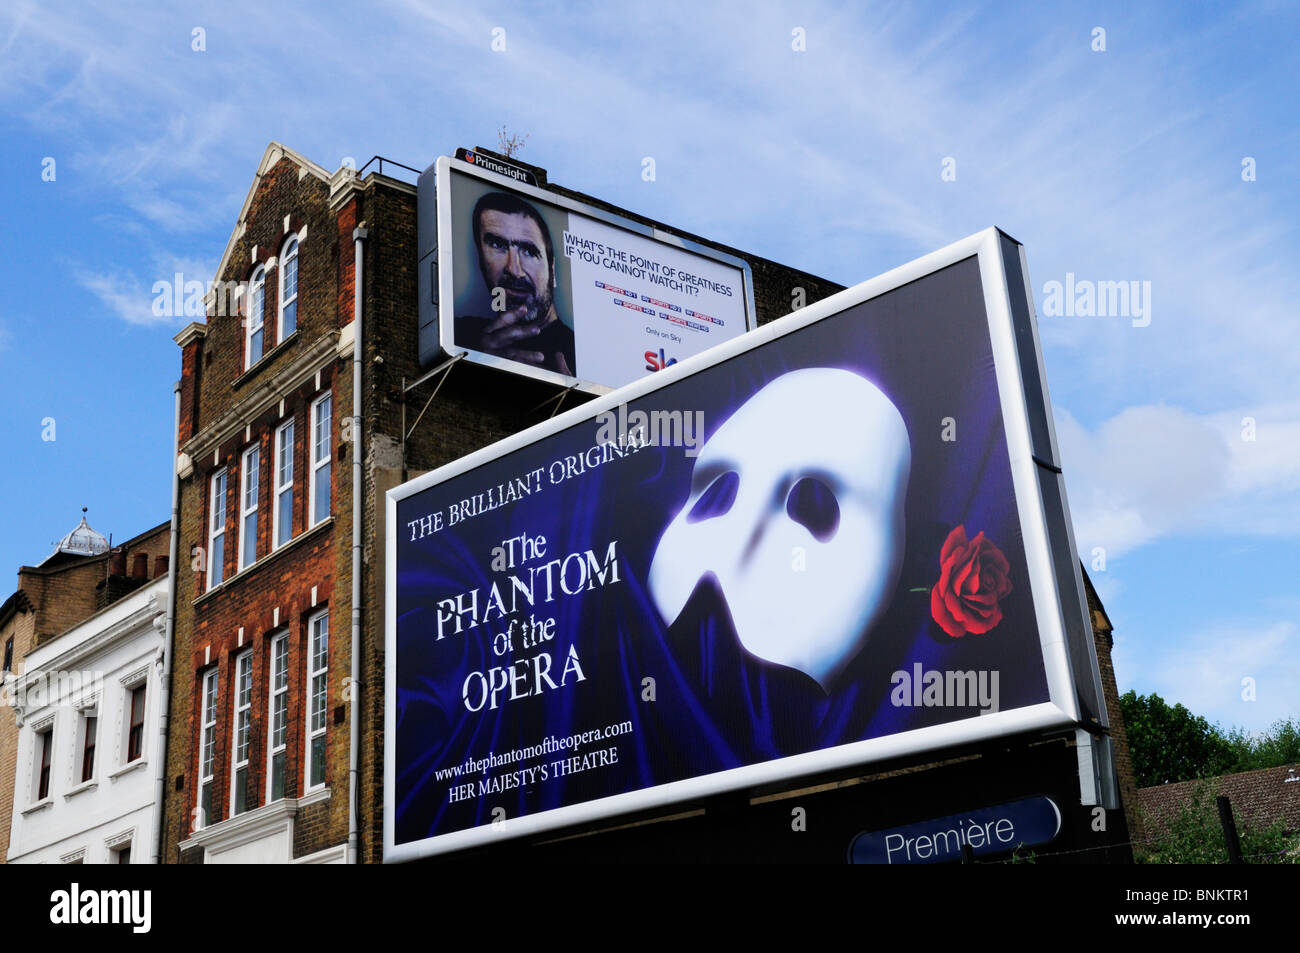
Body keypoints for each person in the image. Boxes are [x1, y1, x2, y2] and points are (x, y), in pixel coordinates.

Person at [454, 191, 576, 376]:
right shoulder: (457, 334)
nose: (514, 269)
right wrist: (478, 365)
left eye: (528, 251)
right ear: (480, 260)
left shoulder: (584, 354)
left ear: (552, 270)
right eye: (497, 245)